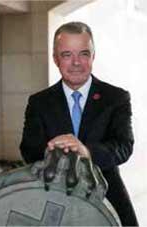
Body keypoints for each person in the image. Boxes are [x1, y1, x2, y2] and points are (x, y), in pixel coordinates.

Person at [20, 21, 138, 226]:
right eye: (67, 54)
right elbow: (28, 150)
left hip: (108, 196)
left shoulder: (116, 98)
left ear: (93, 56)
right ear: (56, 59)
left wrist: (87, 151)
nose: (76, 62)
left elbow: (124, 146)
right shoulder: (39, 102)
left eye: (83, 53)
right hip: (53, 196)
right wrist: (54, 149)